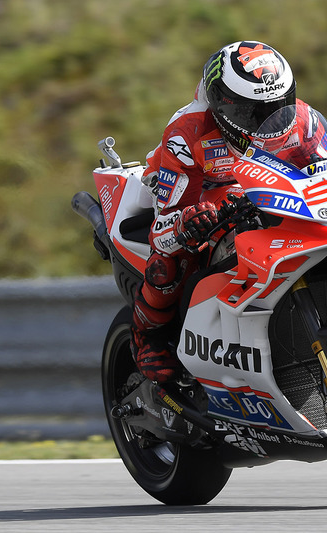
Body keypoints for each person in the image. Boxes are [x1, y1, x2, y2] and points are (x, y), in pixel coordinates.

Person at [132, 40, 315, 382]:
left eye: (276, 107)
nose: (267, 124)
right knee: (170, 259)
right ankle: (147, 337)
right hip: (197, 194)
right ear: (220, 106)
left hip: (262, 189)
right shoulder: (187, 134)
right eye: (252, 114)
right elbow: (165, 226)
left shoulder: (300, 119)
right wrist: (189, 220)